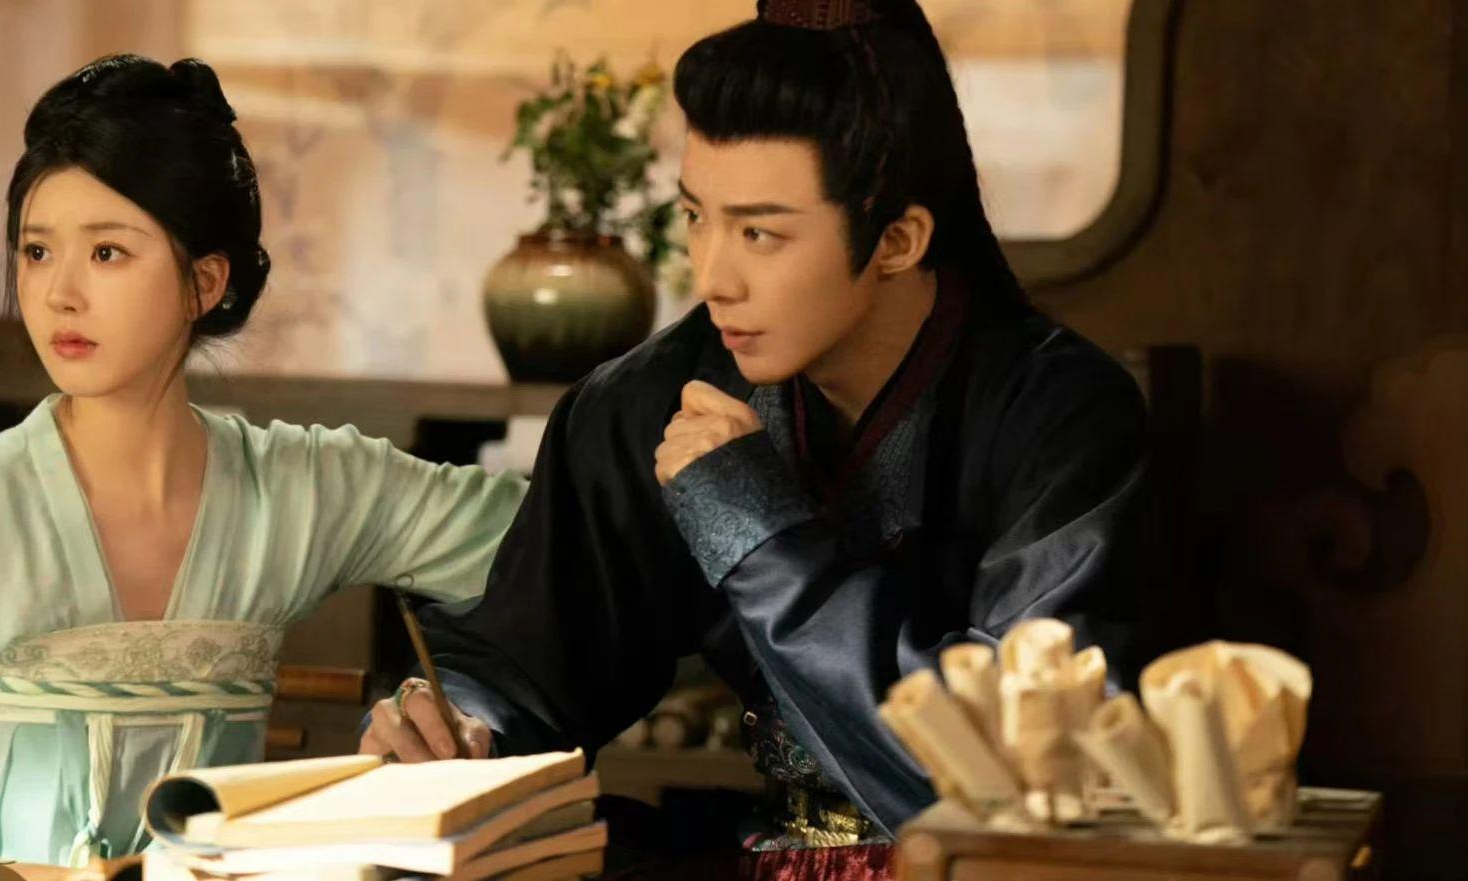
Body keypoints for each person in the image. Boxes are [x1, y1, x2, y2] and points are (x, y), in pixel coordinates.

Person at [361, 0, 1163, 855]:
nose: (712, 275)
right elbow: (529, 658)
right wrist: (460, 720)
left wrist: (753, 533)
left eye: (759, 232)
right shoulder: (652, 398)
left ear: (896, 239)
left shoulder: (1062, 416)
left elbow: (1027, 782)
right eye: (695, 217)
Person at [0, 55, 527, 870]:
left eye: (107, 252)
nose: (59, 293)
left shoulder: (301, 488)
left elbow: (553, 546)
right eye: (36, 252)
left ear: (203, 282)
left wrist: (455, 692)